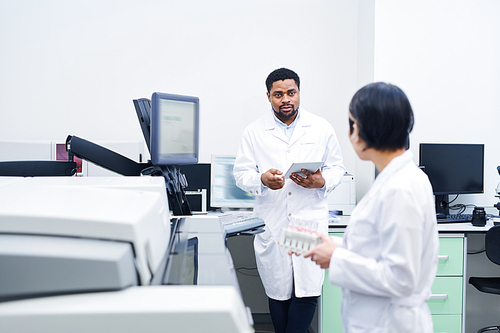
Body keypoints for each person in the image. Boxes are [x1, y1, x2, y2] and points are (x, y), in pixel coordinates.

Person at [302, 82, 439, 333]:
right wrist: (335, 246)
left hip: (390, 324)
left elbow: (401, 278)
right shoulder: (397, 179)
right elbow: (379, 249)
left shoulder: (400, 188)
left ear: (365, 129)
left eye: (352, 123)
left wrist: (336, 257)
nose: (350, 133)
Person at [233, 67, 346, 333]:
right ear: (268, 96)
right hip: (275, 227)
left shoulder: (320, 127)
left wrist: (322, 181)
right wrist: (262, 179)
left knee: (306, 291)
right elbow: (241, 174)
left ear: (299, 93)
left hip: (307, 225)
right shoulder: (254, 131)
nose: (286, 99)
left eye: (291, 93)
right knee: (279, 293)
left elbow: (337, 168)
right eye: (278, 94)